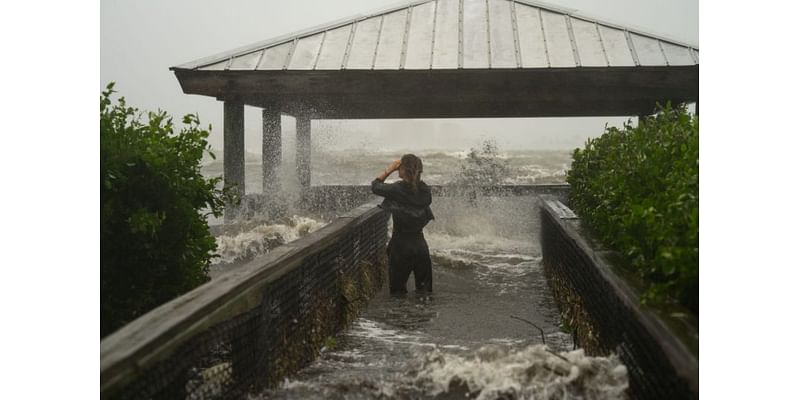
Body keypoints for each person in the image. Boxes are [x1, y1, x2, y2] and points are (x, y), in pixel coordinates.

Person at [371, 154, 435, 295]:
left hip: (400, 247)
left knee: (397, 292)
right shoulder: (425, 191)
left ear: (404, 171)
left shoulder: (397, 189)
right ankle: (423, 316)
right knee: (425, 293)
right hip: (421, 246)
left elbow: (375, 186)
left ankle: (402, 316)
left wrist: (389, 170)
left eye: (399, 168)